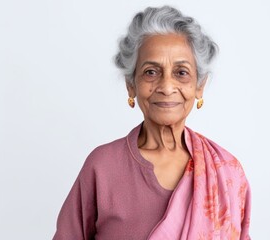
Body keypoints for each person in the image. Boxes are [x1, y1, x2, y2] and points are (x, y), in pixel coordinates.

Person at [53, 6, 251, 240]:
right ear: (131, 84)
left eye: (181, 72)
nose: (167, 87)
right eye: (150, 72)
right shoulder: (102, 166)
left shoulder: (227, 171)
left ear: (199, 86)